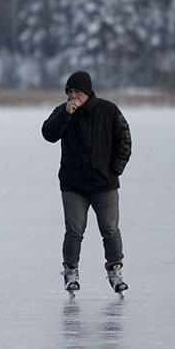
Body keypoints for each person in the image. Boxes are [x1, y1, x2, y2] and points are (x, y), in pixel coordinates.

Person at [41, 71, 132, 296]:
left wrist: (114, 170)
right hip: (74, 185)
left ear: (88, 92)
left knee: (110, 230)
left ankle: (115, 272)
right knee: (74, 230)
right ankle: (70, 272)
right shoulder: (63, 112)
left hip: (104, 184)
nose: (73, 96)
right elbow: (48, 133)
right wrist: (66, 114)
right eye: (69, 92)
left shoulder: (108, 110)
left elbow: (125, 140)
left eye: (77, 92)